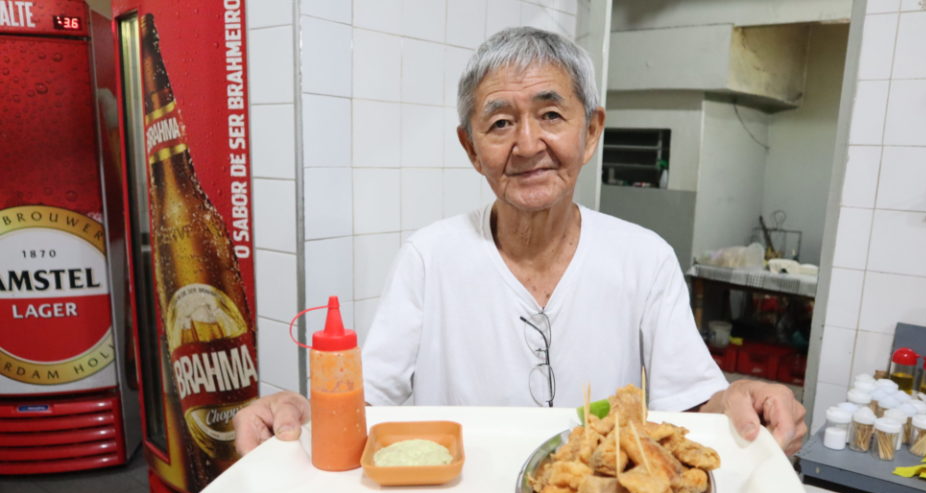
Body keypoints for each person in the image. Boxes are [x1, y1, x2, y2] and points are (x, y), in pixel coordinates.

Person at [235, 27, 807, 457]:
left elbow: (693, 400)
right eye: (501, 122)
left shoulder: (644, 257)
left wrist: (740, 398)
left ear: (591, 133)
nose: (528, 144)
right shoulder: (430, 257)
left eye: (551, 114)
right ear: (470, 146)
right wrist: (299, 415)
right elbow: (367, 403)